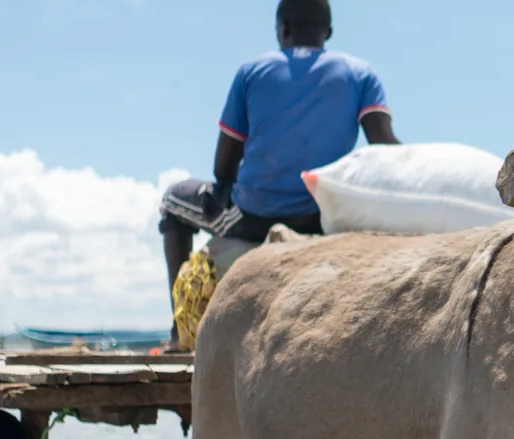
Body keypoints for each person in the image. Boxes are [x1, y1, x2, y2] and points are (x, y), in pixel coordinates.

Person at [157, 0, 398, 348]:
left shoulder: (253, 71)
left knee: (171, 200)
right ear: (327, 32)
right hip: (322, 215)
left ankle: (179, 334)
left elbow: (222, 167)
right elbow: (384, 147)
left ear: (283, 28)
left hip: (254, 216)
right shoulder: (360, 73)